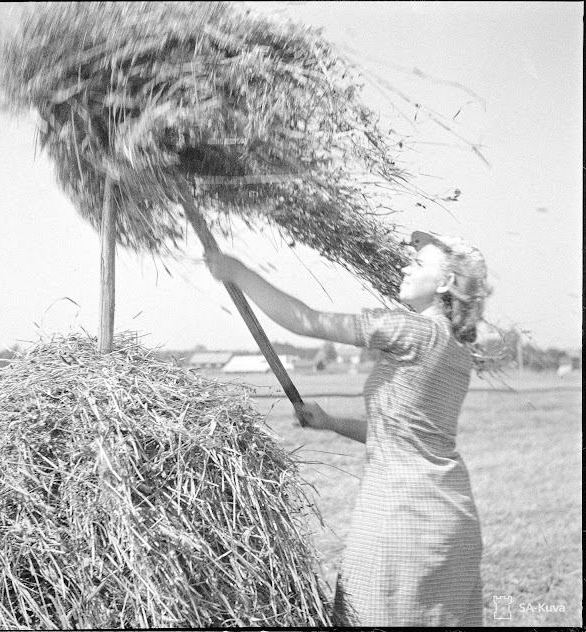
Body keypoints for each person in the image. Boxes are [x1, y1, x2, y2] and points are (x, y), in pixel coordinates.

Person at [205, 231, 490, 627]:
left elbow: (306, 321)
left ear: (445, 284)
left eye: (418, 263)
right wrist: (331, 423)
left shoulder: (409, 330)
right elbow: (405, 435)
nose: (405, 266)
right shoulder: (458, 347)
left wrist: (238, 272)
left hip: (400, 520)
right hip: (450, 519)